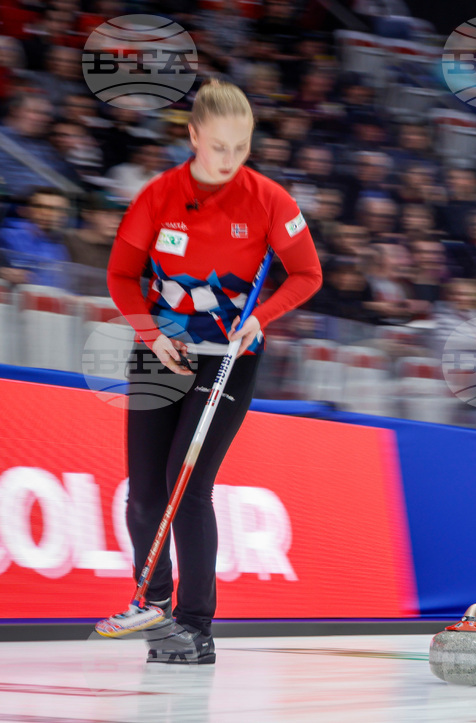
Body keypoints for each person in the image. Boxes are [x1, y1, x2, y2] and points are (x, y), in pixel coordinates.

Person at [106, 79, 322, 665]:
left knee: (187, 484)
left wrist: (262, 318)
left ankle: (196, 625)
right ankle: (156, 609)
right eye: (219, 146)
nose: (230, 160)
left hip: (229, 359)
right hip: (159, 354)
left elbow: (307, 273)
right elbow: (121, 277)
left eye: (242, 147)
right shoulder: (157, 196)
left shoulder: (271, 200)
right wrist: (152, 335)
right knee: (145, 495)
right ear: (194, 136)